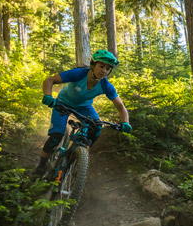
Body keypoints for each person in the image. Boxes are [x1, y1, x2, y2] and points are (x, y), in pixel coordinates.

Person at [33, 49, 132, 177]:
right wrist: (48, 96)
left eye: (108, 69)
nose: (104, 71)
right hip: (63, 103)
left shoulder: (106, 85)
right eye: (101, 66)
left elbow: (120, 106)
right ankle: (40, 167)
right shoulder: (79, 74)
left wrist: (126, 122)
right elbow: (49, 80)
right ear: (93, 65)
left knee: (97, 127)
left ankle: (79, 157)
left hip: (84, 107)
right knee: (56, 136)